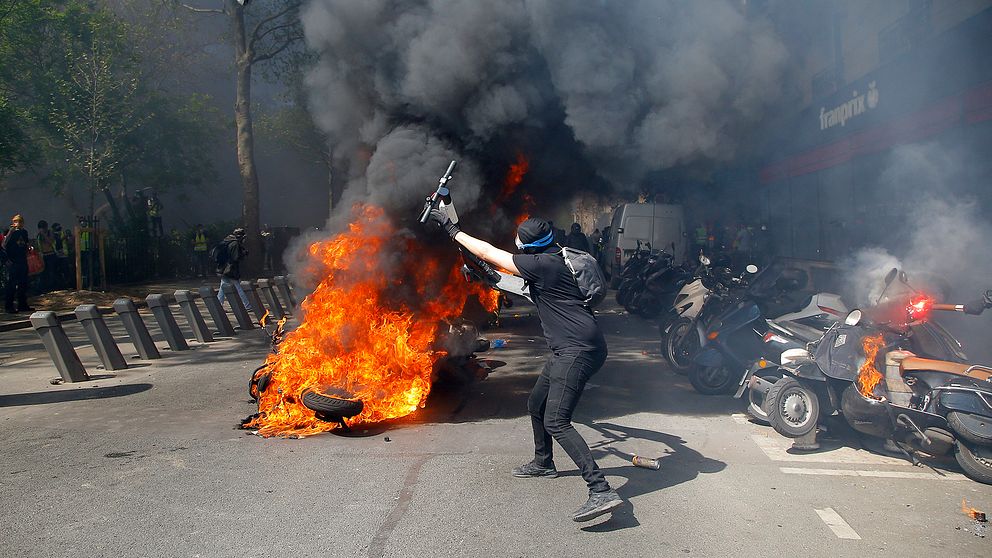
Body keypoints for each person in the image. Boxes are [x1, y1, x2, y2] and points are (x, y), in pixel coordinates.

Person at [426, 209, 623, 523]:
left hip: (577, 350)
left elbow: (491, 253)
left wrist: (452, 230)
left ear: (528, 247)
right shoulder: (555, 258)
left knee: (557, 421)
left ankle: (600, 489)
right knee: (537, 404)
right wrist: (484, 274)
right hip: (572, 347)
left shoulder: (540, 264)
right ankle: (543, 462)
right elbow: (513, 283)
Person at [216, 227, 252, 312]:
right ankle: (247, 305)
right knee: (238, 287)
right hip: (230, 269)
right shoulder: (235, 243)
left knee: (222, 288)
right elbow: (235, 257)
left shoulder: (226, 241)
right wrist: (243, 254)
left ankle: (218, 306)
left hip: (223, 268)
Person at [3, 214, 33, 313]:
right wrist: (6, 260)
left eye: (20, 221)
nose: (18, 223)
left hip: (22, 261)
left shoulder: (24, 232)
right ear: (13, 222)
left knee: (23, 284)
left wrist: (29, 248)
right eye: (16, 221)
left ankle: (22, 305)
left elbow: (25, 243)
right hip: (12, 262)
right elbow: (4, 245)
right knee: (11, 285)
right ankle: (9, 306)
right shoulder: (9, 232)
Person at [35, 220, 57, 292]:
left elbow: (51, 241)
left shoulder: (50, 232)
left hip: (51, 255)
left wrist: (44, 234)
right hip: (43, 256)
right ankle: (44, 288)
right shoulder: (39, 235)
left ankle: (53, 287)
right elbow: (38, 245)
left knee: (52, 272)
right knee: (43, 273)